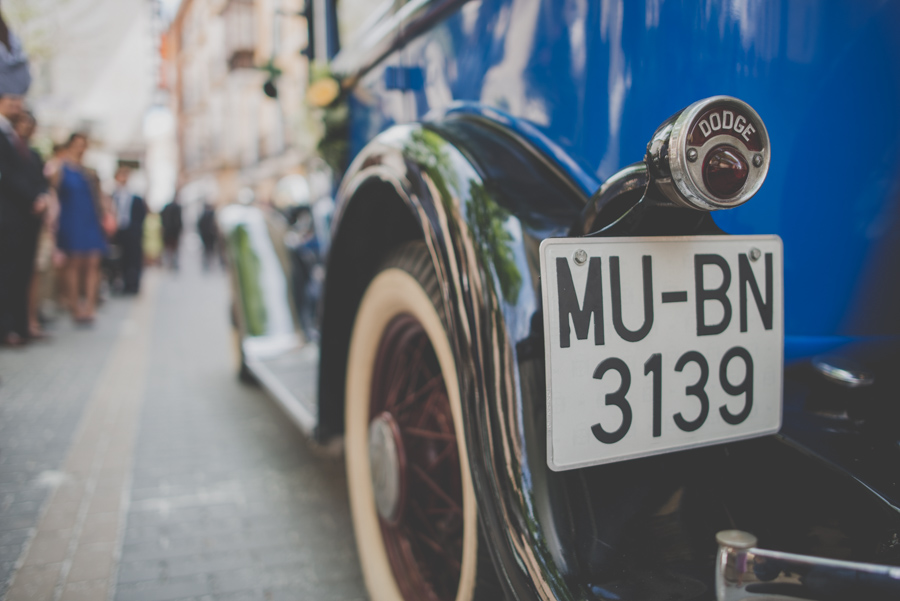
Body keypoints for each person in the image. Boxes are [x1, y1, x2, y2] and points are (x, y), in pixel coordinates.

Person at [0, 98, 47, 345]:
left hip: (27, 221)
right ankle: (8, 328)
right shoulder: (6, 141)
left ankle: (20, 325)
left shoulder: (30, 152)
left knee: (23, 274)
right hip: (9, 219)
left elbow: (38, 179)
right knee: (7, 274)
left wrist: (42, 196)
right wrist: (33, 197)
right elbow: (7, 176)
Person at [52, 133, 108, 323]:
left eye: (83, 145)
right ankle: (75, 307)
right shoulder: (60, 169)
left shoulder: (89, 172)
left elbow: (99, 198)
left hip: (90, 220)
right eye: (77, 144)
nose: (80, 148)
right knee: (74, 263)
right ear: (70, 146)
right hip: (71, 220)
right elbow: (53, 195)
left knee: (93, 262)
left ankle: (90, 307)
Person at [111, 164, 147, 293]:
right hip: (117, 232)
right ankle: (121, 284)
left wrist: (136, 229)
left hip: (132, 232)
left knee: (134, 259)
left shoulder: (135, 197)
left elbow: (141, 214)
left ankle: (133, 285)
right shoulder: (112, 196)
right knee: (120, 260)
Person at [160, 196, 183, 270]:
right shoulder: (177, 207)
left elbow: (162, 217)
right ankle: (172, 262)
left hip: (167, 230)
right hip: (174, 231)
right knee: (174, 248)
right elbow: (179, 220)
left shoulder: (166, 207)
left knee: (168, 248)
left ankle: (169, 262)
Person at [196, 202, 218, 271]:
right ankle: (209, 263)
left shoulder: (204, 215)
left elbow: (199, 225)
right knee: (210, 249)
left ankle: (208, 263)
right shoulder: (212, 215)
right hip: (209, 235)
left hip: (206, 234)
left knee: (207, 249)